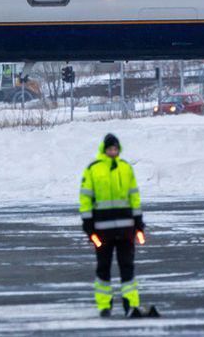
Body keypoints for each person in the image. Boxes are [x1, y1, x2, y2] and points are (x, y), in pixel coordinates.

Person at [79, 133, 145, 318]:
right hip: (102, 231)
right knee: (103, 268)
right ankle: (104, 305)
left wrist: (139, 223)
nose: (113, 152)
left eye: (115, 149)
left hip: (126, 230)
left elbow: (134, 197)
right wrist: (88, 224)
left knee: (127, 267)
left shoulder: (125, 168)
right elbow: (85, 198)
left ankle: (131, 305)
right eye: (110, 149)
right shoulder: (93, 170)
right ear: (104, 149)